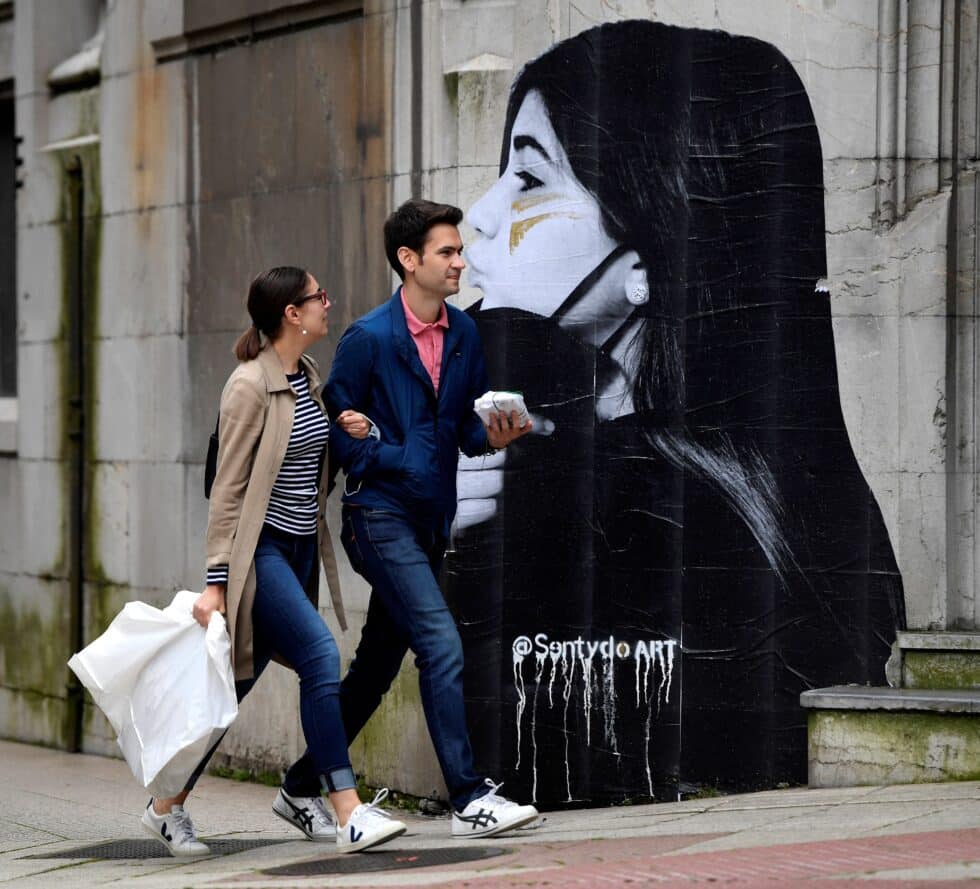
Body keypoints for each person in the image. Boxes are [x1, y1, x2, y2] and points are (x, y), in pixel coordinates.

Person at [449, 20, 906, 804]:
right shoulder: (777, 486)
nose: (480, 218)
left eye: (528, 179)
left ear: (645, 259)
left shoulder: (631, 490)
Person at [141, 266, 407, 856]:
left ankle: (165, 807)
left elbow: (306, 470)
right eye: (319, 296)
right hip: (257, 555)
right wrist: (216, 582)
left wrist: (345, 431)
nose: (327, 303)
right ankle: (348, 809)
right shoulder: (247, 386)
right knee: (318, 652)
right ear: (292, 312)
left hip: (297, 551)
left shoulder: (306, 375)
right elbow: (228, 490)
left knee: (232, 688)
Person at [322, 199, 539, 837]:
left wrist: (495, 435)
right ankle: (469, 799)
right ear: (408, 260)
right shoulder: (368, 339)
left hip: (428, 523)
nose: (459, 261)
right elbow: (338, 433)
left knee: (377, 667)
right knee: (441, 644)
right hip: (376, 516)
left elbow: (464, 432)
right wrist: (397, 454)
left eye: (459, 250)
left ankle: (304, 783)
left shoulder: (465, 334)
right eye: (446, 252)